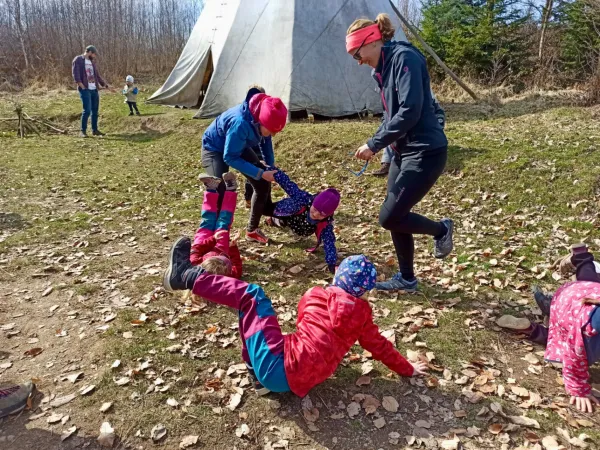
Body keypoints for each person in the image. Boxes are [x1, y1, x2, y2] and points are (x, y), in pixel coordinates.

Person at [163, 238, 428, 397]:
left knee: (252, 297)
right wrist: (408, 369)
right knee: (252, 317)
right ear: (364, 291)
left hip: (280, 366)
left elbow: (303, 321)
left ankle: (188, 277)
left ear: (337, 275)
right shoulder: (362, 316)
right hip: (300, 380)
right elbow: (379, 346)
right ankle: (259, 381)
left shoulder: (315, 294)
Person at [346, 14, 454, 292]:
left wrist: (374, 144)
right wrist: (378, 143)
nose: (358, 61)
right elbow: (390, 115)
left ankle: (442, 230)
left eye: (357, 54)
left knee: (389, 216)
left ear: (371, 41)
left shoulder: (405, 59)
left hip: (426, 151)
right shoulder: (381, 69)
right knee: (397, 215)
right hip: (402, 152)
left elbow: (410, 111)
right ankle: (407, 279)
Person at [496, 244, 600, 413]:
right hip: (570, 306)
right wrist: (578, 388)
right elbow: (574, 353)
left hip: (585, 293)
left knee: (589, 280)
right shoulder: (588, 330)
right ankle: (533, 328)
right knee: (565, 344)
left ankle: (582, 257)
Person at [201, 87, 287, 244]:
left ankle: (252, 231)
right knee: (219, 190)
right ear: (261, 121)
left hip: (238, 145)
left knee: (262, 184)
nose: (273, 134)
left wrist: (269, 166)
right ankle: (215, 237)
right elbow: (229, 157)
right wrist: (260, 172)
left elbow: (266, 142)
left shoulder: (263, 117)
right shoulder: (240, 123)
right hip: (214, 148)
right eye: (271, 130)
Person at [264, 169, 340, 273]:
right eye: (315, 209)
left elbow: (329, 243)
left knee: (316, 232)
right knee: (283, 218)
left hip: (303, 229)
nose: (315, 214)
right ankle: (273, 220)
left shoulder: (325, 223)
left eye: (321, 214)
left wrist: (332, 264)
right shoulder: (304, 199)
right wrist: (277, 174)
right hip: (289, 215)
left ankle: (276, 221)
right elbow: (289, 185)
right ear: (313, 203)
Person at [372, 92, 446, 177]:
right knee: (391, 132)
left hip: (424, 139)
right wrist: (374, 143)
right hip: (403, 133)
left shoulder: (423, 94)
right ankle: (387, 162)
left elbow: (438, 113)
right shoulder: (391, 93)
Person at [72, 45, 109, 138]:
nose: (94, 56)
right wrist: (82, 86)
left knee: (95, 111)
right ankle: (83, 131)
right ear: (89, 52)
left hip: (94, 89)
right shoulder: (78, 60)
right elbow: (76, 74)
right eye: (94, 54)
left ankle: (95, 130)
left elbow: (97, 76)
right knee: (87, 110)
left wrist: (105, 85)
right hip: (85, 89)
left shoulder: (92, 62)